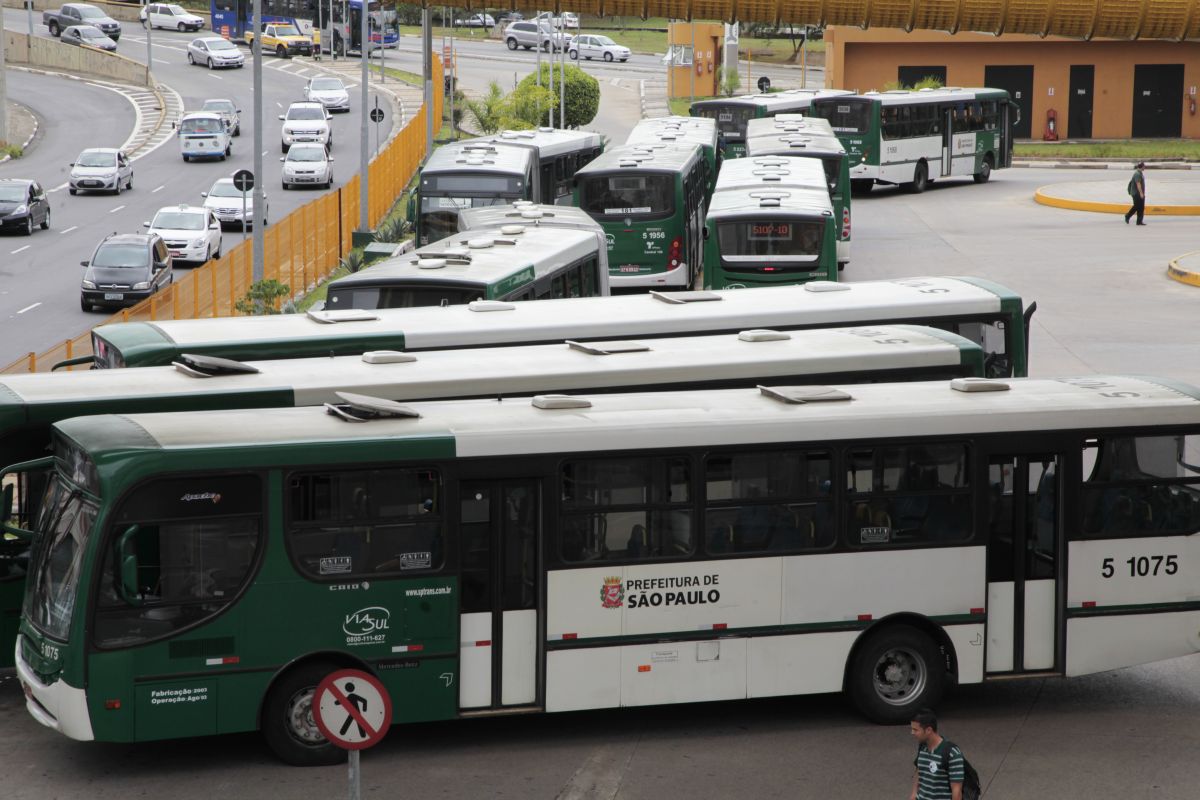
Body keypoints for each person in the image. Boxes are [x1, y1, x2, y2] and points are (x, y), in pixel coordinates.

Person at [910, 708, 964, 800]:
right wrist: (914, 794)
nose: (912, 733)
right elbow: (919, 771)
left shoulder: (952, 753)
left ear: (928, 730)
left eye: (915, 730)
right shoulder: (922, 747)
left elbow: (957, 790)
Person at [1125, 161, 1147, 225]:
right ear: (1142, 167)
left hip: (1139, 193)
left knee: (1141, 207)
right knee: (1137, 206)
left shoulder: (1140, 173)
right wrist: (1141, 193)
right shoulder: (1137, 174)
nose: (1145, 167)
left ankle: (1139, 221)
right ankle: (1128, 215)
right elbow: (1138, 184)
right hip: (1136, 193)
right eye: (1144, 166)